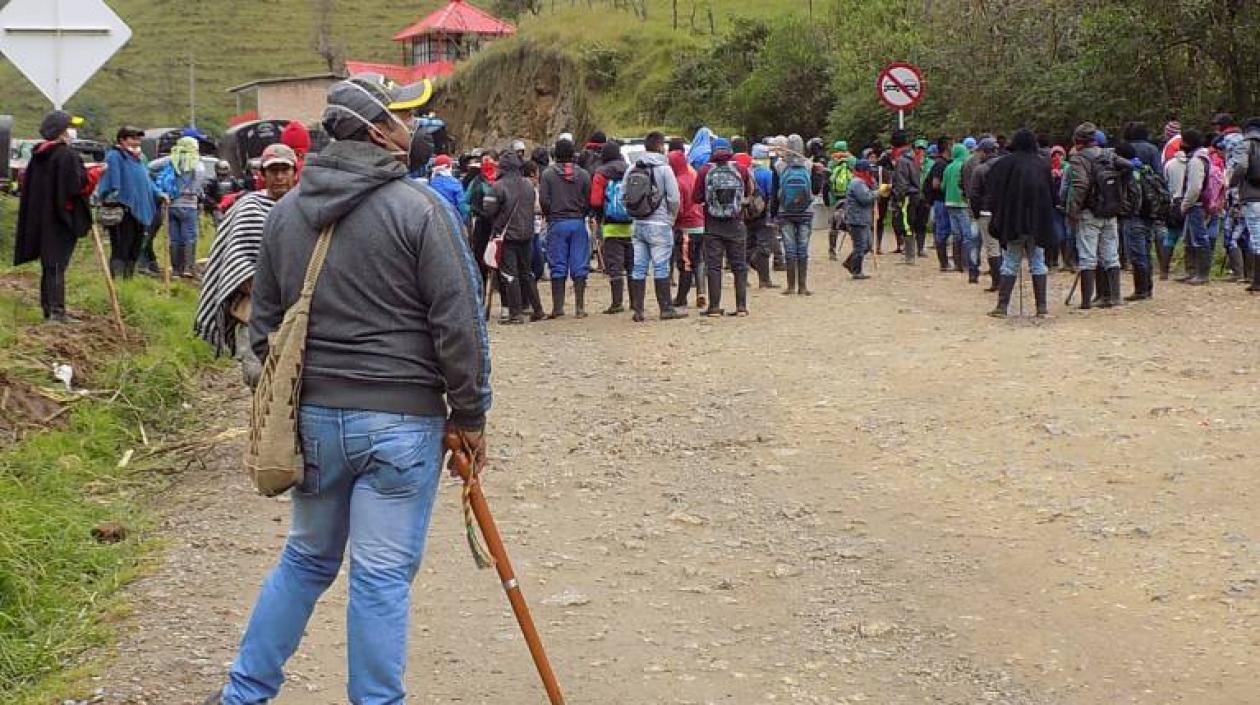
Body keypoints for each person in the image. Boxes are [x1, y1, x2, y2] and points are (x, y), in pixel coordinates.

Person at [205, 78, 492, 705]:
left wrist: (295, 397)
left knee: (306, 560)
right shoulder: (421, 209)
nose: (411, 130)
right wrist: (470, 415)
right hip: (401, 425)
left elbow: (265, 327)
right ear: (377, 133)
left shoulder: (286, 214)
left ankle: (242, 695)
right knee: (381, 576)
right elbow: (459, 324)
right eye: (402, 119)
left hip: (313, 422)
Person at [194, 144, 298, 385]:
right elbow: (236, 261)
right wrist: (266, 291)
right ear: (263, 175)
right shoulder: (249, 209)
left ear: (295, 173)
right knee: (258, 376)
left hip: (298, 309)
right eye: (273, 171)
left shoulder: (305, 209)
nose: (279, 177)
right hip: (257, 309)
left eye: (285, 170)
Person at [13, 111, 96, 323]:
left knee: (50, 265)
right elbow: (75, 187)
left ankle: (50, 308)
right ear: (60, 131)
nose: (72, 132)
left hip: (42, 218)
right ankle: (57, 312)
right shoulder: (66, 155)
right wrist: (94, 175)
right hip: (60, 219)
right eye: (69, 127)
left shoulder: (39, 156)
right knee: (57, 265)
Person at [985, 129, 1055, 318]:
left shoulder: (1004, 164)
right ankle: (1041, 308)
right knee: (1038, 262)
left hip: (1012, 222)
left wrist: (997, 215)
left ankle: (1002, 307)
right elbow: (1051, 195)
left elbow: (993, 192)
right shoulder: (1042, 165)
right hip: (1038, 223)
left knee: (1010, 261)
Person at [623, 132, 683, 322]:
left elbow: (624, 195)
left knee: (639, 267)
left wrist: (633, 214)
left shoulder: (633, 167)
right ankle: (665, 308)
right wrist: (670, 218)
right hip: (660, 223)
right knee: (661, 266)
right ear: (660, 147)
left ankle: (638, 310)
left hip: (638, 223)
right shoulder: (665, 169)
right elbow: (674, 198)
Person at [693, 138, 753, 317]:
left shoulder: (704, 170)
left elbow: (696, 197)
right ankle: (741, 307)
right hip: (736, 223)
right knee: (739, 266)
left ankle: (714, 307)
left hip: (713, 225)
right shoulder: (741, 169)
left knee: (714, 266)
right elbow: (749, 192)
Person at [97, 125, 165, 278]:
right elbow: (111, 182)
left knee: (135, 247)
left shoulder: (138, 158)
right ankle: (117, 280)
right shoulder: (115, 156)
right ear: (122, 140)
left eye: (138, 139)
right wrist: (113, 196)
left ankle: (128, 279)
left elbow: (147, 181)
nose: (137, 142)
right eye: (133, 138)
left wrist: (159, 193)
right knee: (121, 247)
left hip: (139, 210)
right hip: (123, 210)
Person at [1067, 122, 1122, 309]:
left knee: (1087, 257)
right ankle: (1115, 297)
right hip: (1110, 210)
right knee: (1111, 255)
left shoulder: (1079, 158)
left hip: (1089, 212)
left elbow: (1080, 185)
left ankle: (1086, 302)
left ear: (1078, 140)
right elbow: (1129, 167)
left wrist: (1073, 211)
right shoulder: (1110, 155)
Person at [487, 151, 544, 323]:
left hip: (507, 236)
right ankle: (537, 309)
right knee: (527, 273)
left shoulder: (498, 186)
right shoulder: (528, 185)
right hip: (527, 234)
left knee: (509, 274)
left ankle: (515, 313)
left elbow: (488, 210)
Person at [539, 138, 592, 318]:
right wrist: (582, 213)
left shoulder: (547, 175)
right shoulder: (583, 174)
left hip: (557, 223)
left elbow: (544, 200)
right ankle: (580, 308)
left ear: (555, 154)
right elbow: (588, 200)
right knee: (580, 264)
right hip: (577, 223)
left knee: (557, 264)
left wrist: (550, 214)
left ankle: (558, 308)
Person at [154, 135, 209, 278]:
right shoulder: (197, 162)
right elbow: (199, 181)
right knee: (189, 236)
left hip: (171, 203)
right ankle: (188, 268)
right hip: (189, 204)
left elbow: (151, 166)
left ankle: (176, 270)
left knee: (174, 238)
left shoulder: (172, 159)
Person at [590, 140, 633, 314]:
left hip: (610, 226)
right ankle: (636, 301)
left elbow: (595, 201)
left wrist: (599, 217)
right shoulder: (630, 170)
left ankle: (617, 303)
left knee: (615, 265)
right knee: (632, 265)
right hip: (632, 225)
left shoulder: (601, 173)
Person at [775, 134, 816, 296]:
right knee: (803, 249)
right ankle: (803, 286)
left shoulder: (779, 165)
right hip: (806, 211)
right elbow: (813, 188)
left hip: (785, 211)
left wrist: (773, 213)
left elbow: (774, 190)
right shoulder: (808, 164)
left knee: (789, 249)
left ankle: (791, 286)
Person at [670, 142, 708, 307]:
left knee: (685, 263)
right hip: (700, 225)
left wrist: (672, 222)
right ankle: (701, 291)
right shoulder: (694, 176)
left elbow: (678, 209)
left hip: (686, 228)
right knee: (698, 260)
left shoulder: (678, 182)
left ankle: (681, 298)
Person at [1178, 129, 1217, 286]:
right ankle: (1193, 272)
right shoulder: (1204, 157)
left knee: (1199, 239)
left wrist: (1184, 204)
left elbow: (1194, 188)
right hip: (1198, 204)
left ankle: (1202, 274)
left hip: (1196, 204)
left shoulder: (1196, 161)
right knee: (1189, 239)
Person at [967, 138, 1003, 291]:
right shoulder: (1006, 166)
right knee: (1004, 246)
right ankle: (1005, 279)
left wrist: (976, 214)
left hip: (986, 212)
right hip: (1004, 212)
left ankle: (997, 282)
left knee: (992, 247)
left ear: (983, 152)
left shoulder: (980, 170)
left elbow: (974, 195)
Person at [1229, 116, 1260, 293]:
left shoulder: (1245, 145)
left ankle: (1258, 281)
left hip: (1252, 196)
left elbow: (1241, 166)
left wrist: (1233, 182)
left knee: (1256, 238)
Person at [743, 148, 779, 290]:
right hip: (763, 215)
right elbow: (772, 196)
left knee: (749, 245)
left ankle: (747, 278)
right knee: (764, 247)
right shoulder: (768, 174)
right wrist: (771, 217)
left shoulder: (746, 172)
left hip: (747, 215)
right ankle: (764, 280)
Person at [943, 142, 977, 282]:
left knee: (956, 234)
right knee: (967, 235)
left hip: (949, 202)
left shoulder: (949, 167)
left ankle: (957, 264)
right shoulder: (966, 165)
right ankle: (968, 263)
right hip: (962, 203)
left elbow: (943, 186)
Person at [843, 160, 878, 280]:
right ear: (864, 171)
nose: (871, 173)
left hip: (863, 218)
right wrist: (878, 192)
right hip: (856, 219)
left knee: (867, 245)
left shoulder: (865, 182)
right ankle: (856, 271)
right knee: (860, 246)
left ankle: (850, 263)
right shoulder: (857, 183)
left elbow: (871, 192)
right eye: (869, 171)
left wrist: (874, 185)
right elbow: (865, 198)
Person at [892, 135, 924, 265]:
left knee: (906, 224)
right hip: (914, 195)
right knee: (910, 223)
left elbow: (902, 181)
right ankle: (909, 254)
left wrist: (898, 197)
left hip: (906, 196)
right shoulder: (914, 161)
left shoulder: (902, 162)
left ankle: (909, 256)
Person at [427, 154, 467, 220]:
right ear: (449, 167)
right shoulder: (455, 183)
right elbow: (461, 206)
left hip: (434, 218)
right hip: (451, 219)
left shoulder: (430, 183)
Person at [204, 160, 243, 226]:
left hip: (231, 208)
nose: (223, 171)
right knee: (220, 224)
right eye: (221, 169)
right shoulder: (212, 181)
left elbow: (240, 191)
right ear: (217, 169)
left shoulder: (233, 180)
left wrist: (235, 199)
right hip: (217, 208)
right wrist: (215, 205)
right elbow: (206, 196)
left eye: (225, 169)